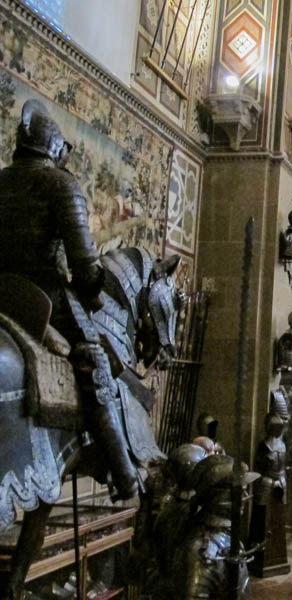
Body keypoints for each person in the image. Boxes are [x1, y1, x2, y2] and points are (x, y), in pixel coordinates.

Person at [0, 100, 139, 499]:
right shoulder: (61, 185)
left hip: (0, 293)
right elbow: (84, 265)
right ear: (54, 149)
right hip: (44, 295)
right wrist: (92, 292)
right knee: (94, 365)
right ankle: (123, 474)